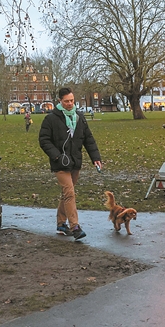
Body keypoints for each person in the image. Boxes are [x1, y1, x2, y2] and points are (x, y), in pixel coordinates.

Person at [39, 87, 102, 240]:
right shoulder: (51, 119)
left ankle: (61, 224)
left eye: (72, 101)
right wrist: (57, 156)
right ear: (60, 101)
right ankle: (75, 226)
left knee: (67, 194)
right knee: (69, 193)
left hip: (75, 161)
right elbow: (44, 140)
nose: (69, 104)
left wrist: (96, 157)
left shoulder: (79, 117)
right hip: (60, 163)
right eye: (66, 101)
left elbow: (88, 139)